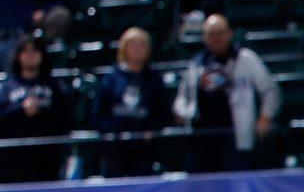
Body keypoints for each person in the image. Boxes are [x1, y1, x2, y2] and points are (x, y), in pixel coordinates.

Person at [174, 12, 279, 172]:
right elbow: (182, 96)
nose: (216, 38)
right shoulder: (197, 63)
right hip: (202, 135)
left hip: (234, 135)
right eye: (211, 34)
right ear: (204, 38)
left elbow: (270, 91)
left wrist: (265, 117)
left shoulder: (246, 59)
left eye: (220, 33)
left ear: (230, 34)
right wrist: (182, 111)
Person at [92, 27, 170, 177]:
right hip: (116, 150)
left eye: (142, 44)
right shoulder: (111, 80)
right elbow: (98, 116)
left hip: (143, 150)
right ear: (124, 48)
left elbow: (163, 113)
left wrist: (152, 130)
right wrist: (114, 133)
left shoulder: (154, 80)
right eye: (133, 44)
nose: (137, 48)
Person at [0, 32, 69, 181]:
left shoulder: (56, 87)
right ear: (18, 56)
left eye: (34, 50)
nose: (30, 55)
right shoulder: (7, 88)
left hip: (47, 156)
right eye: (25, 51)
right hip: (13, 159)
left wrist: (40, 110)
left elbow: (65, 119)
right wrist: (21, 109)